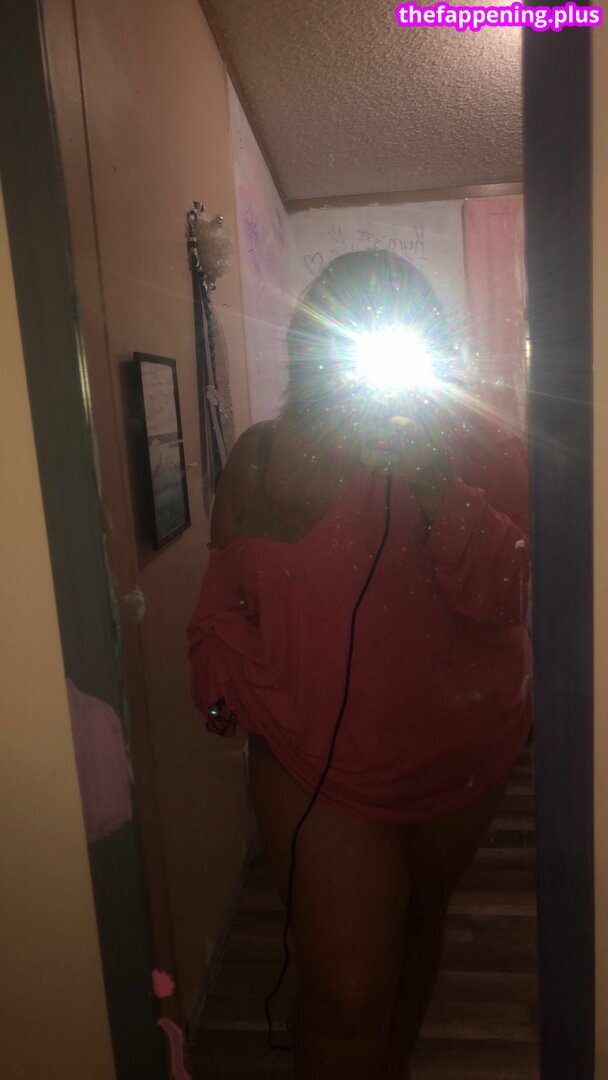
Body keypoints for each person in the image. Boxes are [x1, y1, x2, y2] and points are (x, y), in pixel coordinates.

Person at [187, 250, 531, 1080]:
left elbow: (513, 592)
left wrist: (437, 483)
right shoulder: (261, 455)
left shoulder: (484, 445)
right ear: (312, 347)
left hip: (461, 757)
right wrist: (220, 684)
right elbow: (223, 599)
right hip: (315, 766)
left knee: (418, 926)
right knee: (343, 994)